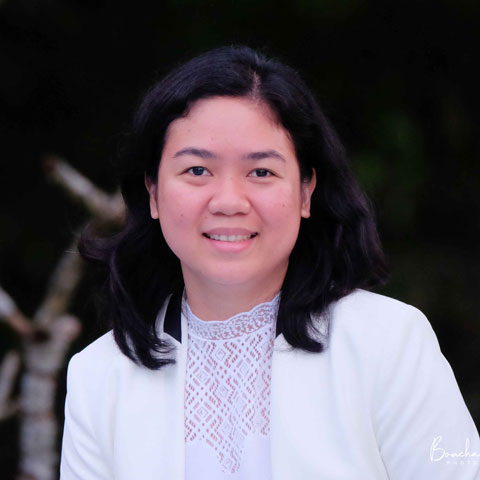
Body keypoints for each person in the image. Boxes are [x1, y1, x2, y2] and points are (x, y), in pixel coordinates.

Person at [60, 46, 480, 479]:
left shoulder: (388, 342)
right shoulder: (98, 376)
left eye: (261, 172)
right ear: (153, 192)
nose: (228, 202)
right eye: (197, 170)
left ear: (305, 192)